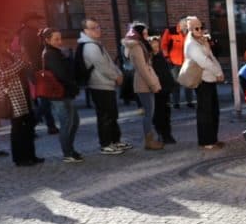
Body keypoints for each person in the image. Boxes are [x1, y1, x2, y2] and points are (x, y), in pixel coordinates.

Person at [0, 30, 42, 166]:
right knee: (18, 128)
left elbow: (23, 66)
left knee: (29, 126)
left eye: (9, 40)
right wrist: (21, 63)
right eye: (5, 41)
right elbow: (1, 74)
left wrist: (26, 62)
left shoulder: (11, 54)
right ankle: (20, 158)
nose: (8, 43)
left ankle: (31, 155)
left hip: (23, 93)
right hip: (11, 96)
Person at [79, 18, 130, 155]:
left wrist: (118, 73)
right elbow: (102, 66)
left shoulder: (96, 43)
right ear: (85, 31)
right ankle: (106, 144)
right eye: (93, 28)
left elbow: (109, 63)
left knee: (112, 114)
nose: (97, 30)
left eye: (98, 27)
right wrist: (116, 76)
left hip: (106, 84)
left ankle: (115, 141)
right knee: (105, 116)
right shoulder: (90, 46)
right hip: (99, 85)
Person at [40, 28, 82, 163]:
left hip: (64, 92)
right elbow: (62, 74)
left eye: (60, 38)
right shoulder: (51, 54)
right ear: (47, 40)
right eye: (56, 39)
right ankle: (67, 153)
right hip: (60, 94)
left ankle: (70, 150)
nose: (60, 41)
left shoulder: (56, 52)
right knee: (67, 123)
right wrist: (74, 86)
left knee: (73, 122)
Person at [183, 16, 225, 149]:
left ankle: (212, 139)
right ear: (190, 30)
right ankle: (207, 141)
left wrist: (219, 72)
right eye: (197, 28)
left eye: (201, 27)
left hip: (209, 79)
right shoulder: (192, 44)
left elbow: (211, 57)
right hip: (202, 80)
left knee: (212, 111)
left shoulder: (200, 40)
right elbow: (204, 61)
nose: (200, 30)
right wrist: (218, 73)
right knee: (206, 112)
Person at [122, 22, 164, 151]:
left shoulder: (140, 45)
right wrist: (153, 84)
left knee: (150, 112)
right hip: (143, 84)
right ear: (139, 34)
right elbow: (143, 68)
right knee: (149, 113)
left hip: (145, 82)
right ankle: (149, 141)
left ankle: (150, 139)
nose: (147, 35)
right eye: (144, 33)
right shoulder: (136, 47)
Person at [17, 11, 59, 136]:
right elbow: (27, 53)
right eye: (35, 20)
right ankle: (31, 126)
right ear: (29, 21)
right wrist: (35, 70)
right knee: (45, 99)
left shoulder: (31, 32)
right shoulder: (27, 33)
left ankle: (51, 126)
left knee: (44, 97)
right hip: (36, 69)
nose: (38, 22)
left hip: (37, 68)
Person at [148, 35, 176, 144]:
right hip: (156, 89)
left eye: (156, 43)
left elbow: (166, 73)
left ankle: (167, 134)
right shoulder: (150, 59)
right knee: (159, 113)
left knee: (166, 112)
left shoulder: (161, 56)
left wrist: (171, 85)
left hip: (165, 88)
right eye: (153, 43)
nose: (155, 45)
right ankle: (162, 134)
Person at [161, 18, 193, 109]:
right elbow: (164, 45)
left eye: (187, 25)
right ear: (180, 24)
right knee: (175, 83)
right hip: (173, 62)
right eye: (185, 25)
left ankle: (189, 101)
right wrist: (167, 57)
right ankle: (176, 102)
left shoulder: (190, 32)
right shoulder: (170, 31)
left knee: (188, 83)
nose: (186, 27)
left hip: (187, 62)